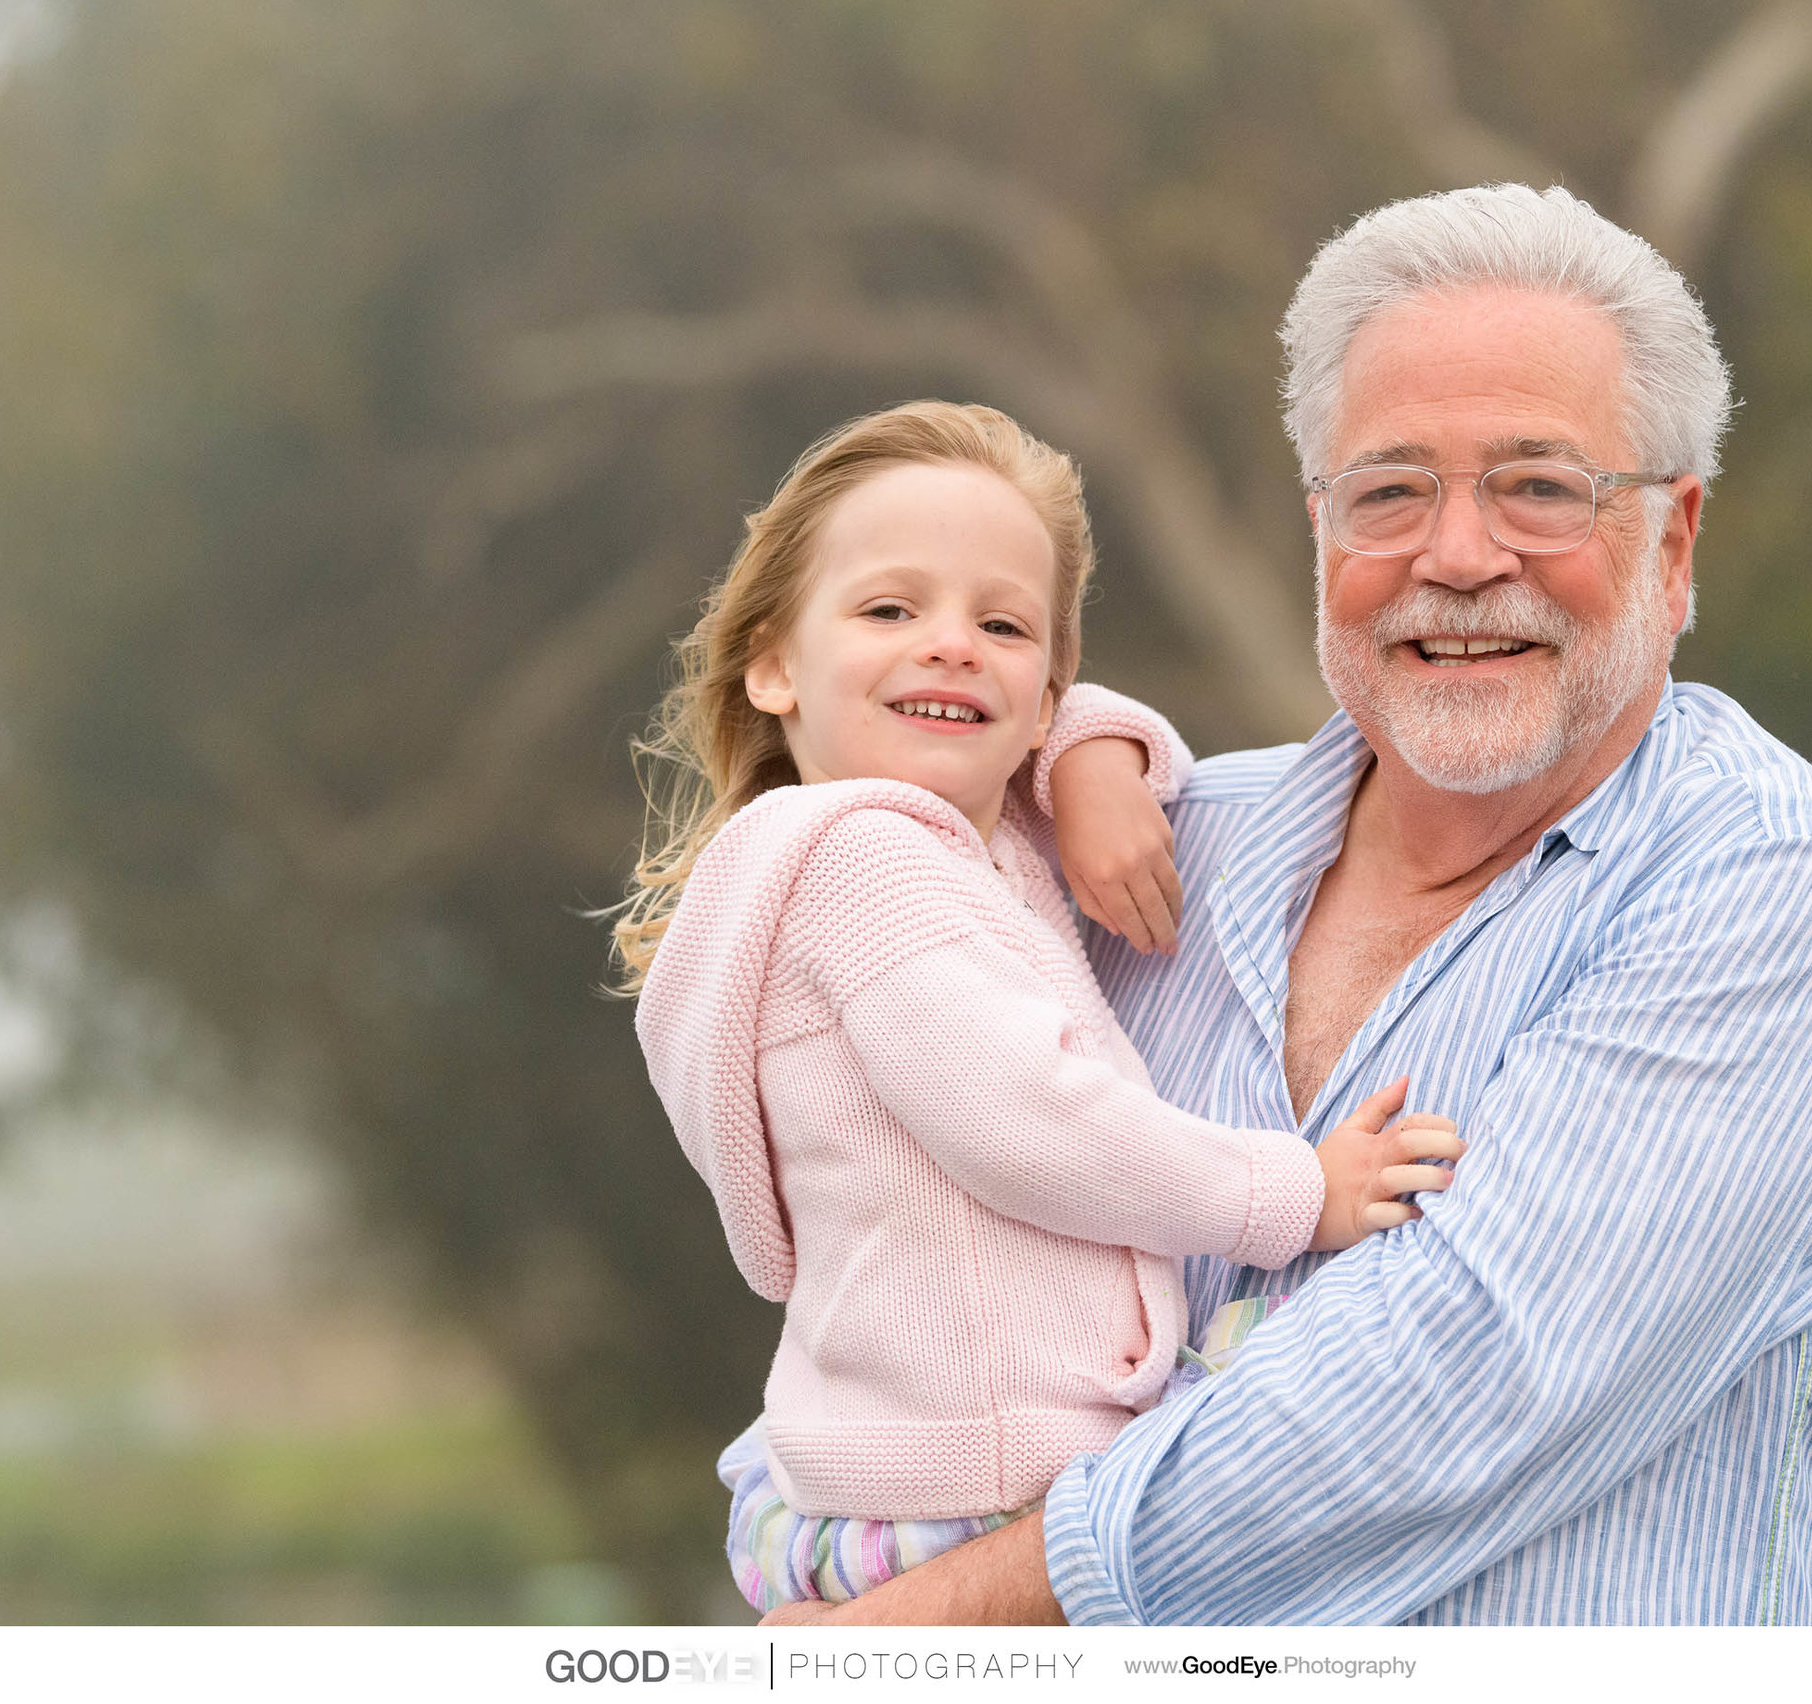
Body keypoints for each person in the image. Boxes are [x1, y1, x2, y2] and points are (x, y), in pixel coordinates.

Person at [764, 184, 1812, 1627]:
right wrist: (794, 1516)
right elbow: (891, 1275)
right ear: (1321, 530)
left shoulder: (1758, 884)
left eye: (1541, 486)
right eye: (1390, 493)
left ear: (1676, 539)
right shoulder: (1162, 851)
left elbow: (1445, 1397)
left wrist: (886, 1635)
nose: (1458, 557)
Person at [613, 400, 1467, 1611]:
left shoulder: (967, 834)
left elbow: (1075, 712)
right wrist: (1300, 1194)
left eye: (1000, 621)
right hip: (979, 1477)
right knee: (1362, 1379)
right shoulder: (865, 867)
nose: (951, 645)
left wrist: (1086, 763)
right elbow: (1036, 1124)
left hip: (909, 1459)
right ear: (771, 664)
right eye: (888, 610)